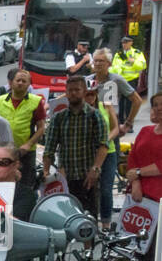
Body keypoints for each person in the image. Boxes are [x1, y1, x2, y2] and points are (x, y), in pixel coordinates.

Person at [42, 74, 107, 218]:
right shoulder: (58, 118)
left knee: (89, 220)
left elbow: (103, 146)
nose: (73, 93)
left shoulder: (94, 116)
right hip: (65, 178)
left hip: (87, 176)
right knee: (65, 219)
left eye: (77, 90)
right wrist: (46, 172)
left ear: (84, 91)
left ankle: (89, 242)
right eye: (70, 90)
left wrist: (95, 169)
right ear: (66, 92)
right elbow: (49, 148)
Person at [0, 70, 47, 187]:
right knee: (4, 185)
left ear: (29, 84)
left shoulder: (36, 101)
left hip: (26, 153)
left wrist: (29, 145)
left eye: (24, 81)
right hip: (3, 152)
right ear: (11, 83)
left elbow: (41, 128)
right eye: (17, 80)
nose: (20, 83)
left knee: (26, 186)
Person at [85, 82, 121, 230]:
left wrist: (105, 141)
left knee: (106, 189)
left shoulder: (106, 106)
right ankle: (89, 221)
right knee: (88, 189)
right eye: (87, 94)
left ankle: (106, 223)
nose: (90, 98)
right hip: (87, 154)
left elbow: (116, 128)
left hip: (108, 152)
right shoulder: (78, 110)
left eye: (92, 94)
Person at [92, 46, 143, 137]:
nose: (98, 63)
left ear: (109, 64)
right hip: (90, 125)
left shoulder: (116, 80)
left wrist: (128, 124)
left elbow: (137, 100)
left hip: (112, 126)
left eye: (101, 61)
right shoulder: (88, 80)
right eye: (95, 61)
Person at [126, 93, 162, 213]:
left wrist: (138, 172)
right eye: (155, 105)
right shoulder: (145, 130)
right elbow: (133, 157)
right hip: (139, 197)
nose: (159, 108)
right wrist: (135, 183)